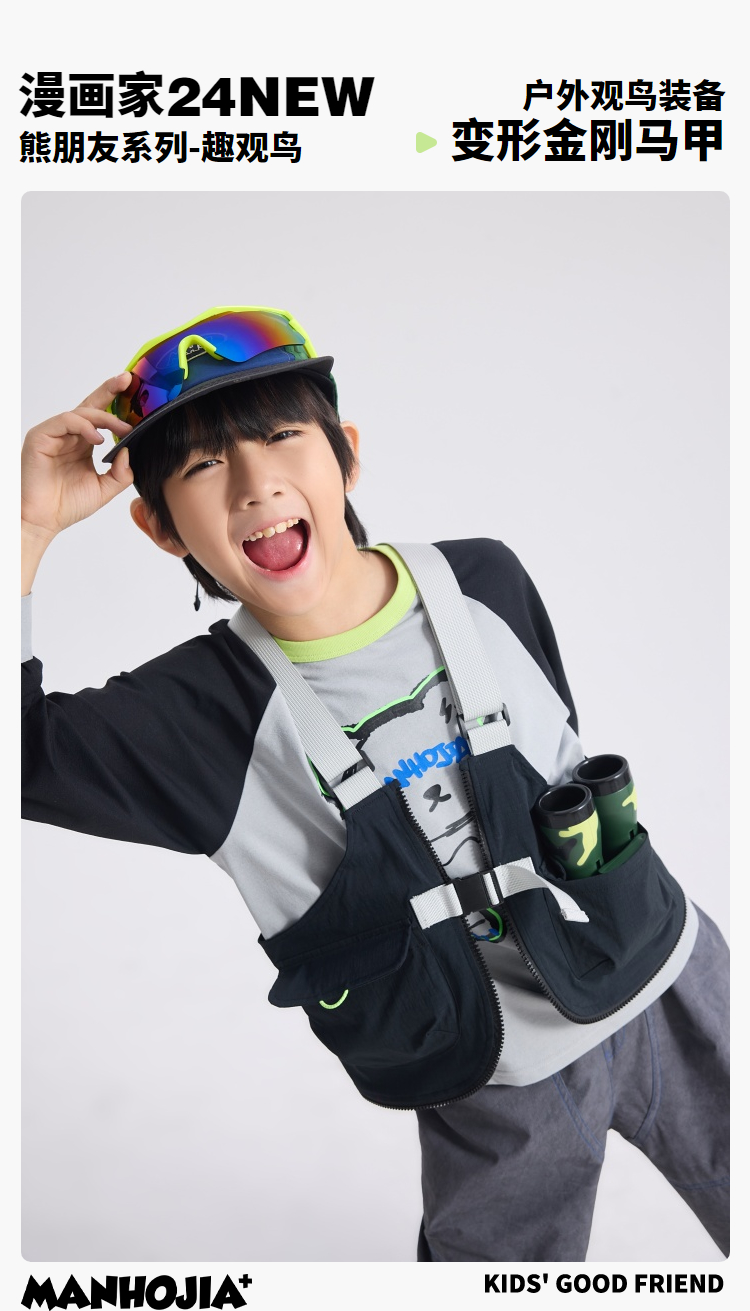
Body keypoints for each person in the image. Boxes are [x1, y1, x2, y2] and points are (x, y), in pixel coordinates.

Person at [21, 306, 729, 1262]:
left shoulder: (483, 578)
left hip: (669, 974)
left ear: (346, 454)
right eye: (203, 465)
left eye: (282, 435)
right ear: (157, 525)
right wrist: (26, 525)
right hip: (494, 1077)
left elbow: (559, 731)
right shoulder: (196, 719)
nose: (256, 483)